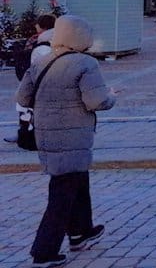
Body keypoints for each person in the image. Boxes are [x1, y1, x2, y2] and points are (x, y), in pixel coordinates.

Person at [17, 15, 117, 266]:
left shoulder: (41, 62)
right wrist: (111, 96)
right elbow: (96, 101)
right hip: (73, 134)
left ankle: (81, 231)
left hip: (46, 133)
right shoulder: (85, 63)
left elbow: (23, 97)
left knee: (77, 179)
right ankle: (44, 251)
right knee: (62, 192)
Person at [8, 14, 55, 146]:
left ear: (42, 26)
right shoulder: (51, 39)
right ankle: (25, 134)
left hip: (38, 82)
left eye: (37, 24)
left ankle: (26, 135)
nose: (35, 26)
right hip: (45, 82)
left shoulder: (43, 42)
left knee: (26, 106)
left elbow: (37, 63)